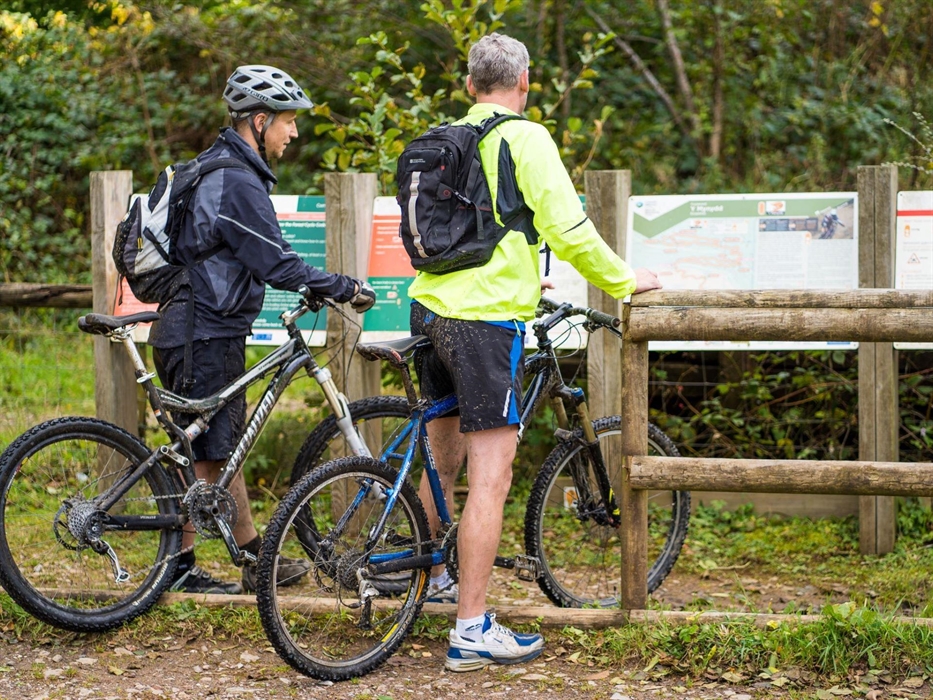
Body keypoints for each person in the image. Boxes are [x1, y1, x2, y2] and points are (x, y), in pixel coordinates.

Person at [406, 33, 662, 673]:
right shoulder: (525, 138)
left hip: (430, 308)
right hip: (485, 322)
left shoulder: (451, 137)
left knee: (442, 459)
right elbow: (568, 228)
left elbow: (478, 234)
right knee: (491, 477)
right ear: (524, 83)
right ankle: (470, 629)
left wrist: (523, 273)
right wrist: (627, 281)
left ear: (470, 86)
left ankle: (429, 581)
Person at [147, 64, 376, 595]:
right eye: (288, 121)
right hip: (201, 327)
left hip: (196, 324)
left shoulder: (220, 167)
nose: (293, 132)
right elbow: (274, 260)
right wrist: (341, 285)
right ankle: (218, 562)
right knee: (205, 448)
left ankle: (242, 557)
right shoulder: (234, 179)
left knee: (210, 445)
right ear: (259, 120)